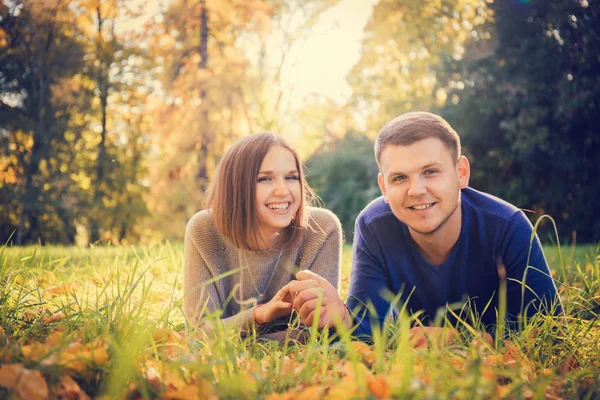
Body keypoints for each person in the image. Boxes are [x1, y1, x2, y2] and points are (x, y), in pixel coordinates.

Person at [288, 112, 562, 345]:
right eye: (400, 178)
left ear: (461, 173)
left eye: (430, 172)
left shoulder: (507, 226)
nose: (416, 190)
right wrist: (343, 318)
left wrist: (457, 339)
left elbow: (549, 332)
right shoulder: (374, 226)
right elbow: (370, 328)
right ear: (384, 187)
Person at [183, 132, 342, 340]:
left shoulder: (322, 229)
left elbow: (318, 332)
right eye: (265, 178)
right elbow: (198, 332)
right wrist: (259, 315)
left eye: (291, 177)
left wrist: (236, 339)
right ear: (236, 186)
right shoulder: (204, 229)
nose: (282, 191)